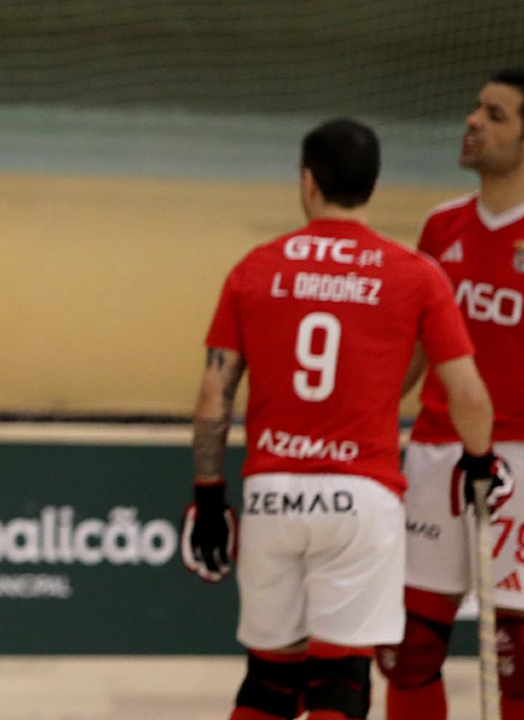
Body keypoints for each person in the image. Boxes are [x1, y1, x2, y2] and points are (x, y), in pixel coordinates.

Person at [181, 118, 503, 720]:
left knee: (269, 684)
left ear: (307, 182)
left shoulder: (255, 267)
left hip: (272, 494)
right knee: (341, 682)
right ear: (374, 185)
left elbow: (212, 397)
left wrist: (207, 495)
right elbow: (470, 395)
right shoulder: (415, 274)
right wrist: (482, 462)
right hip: (361, 498)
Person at [379, 67, 524, 720]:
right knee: (407, 652)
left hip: (518, 463)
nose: (473, 122)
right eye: (475, 109)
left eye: (496, 116)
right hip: (436, 454)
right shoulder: (440, 228)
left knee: (516, 665)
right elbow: (413, 351)